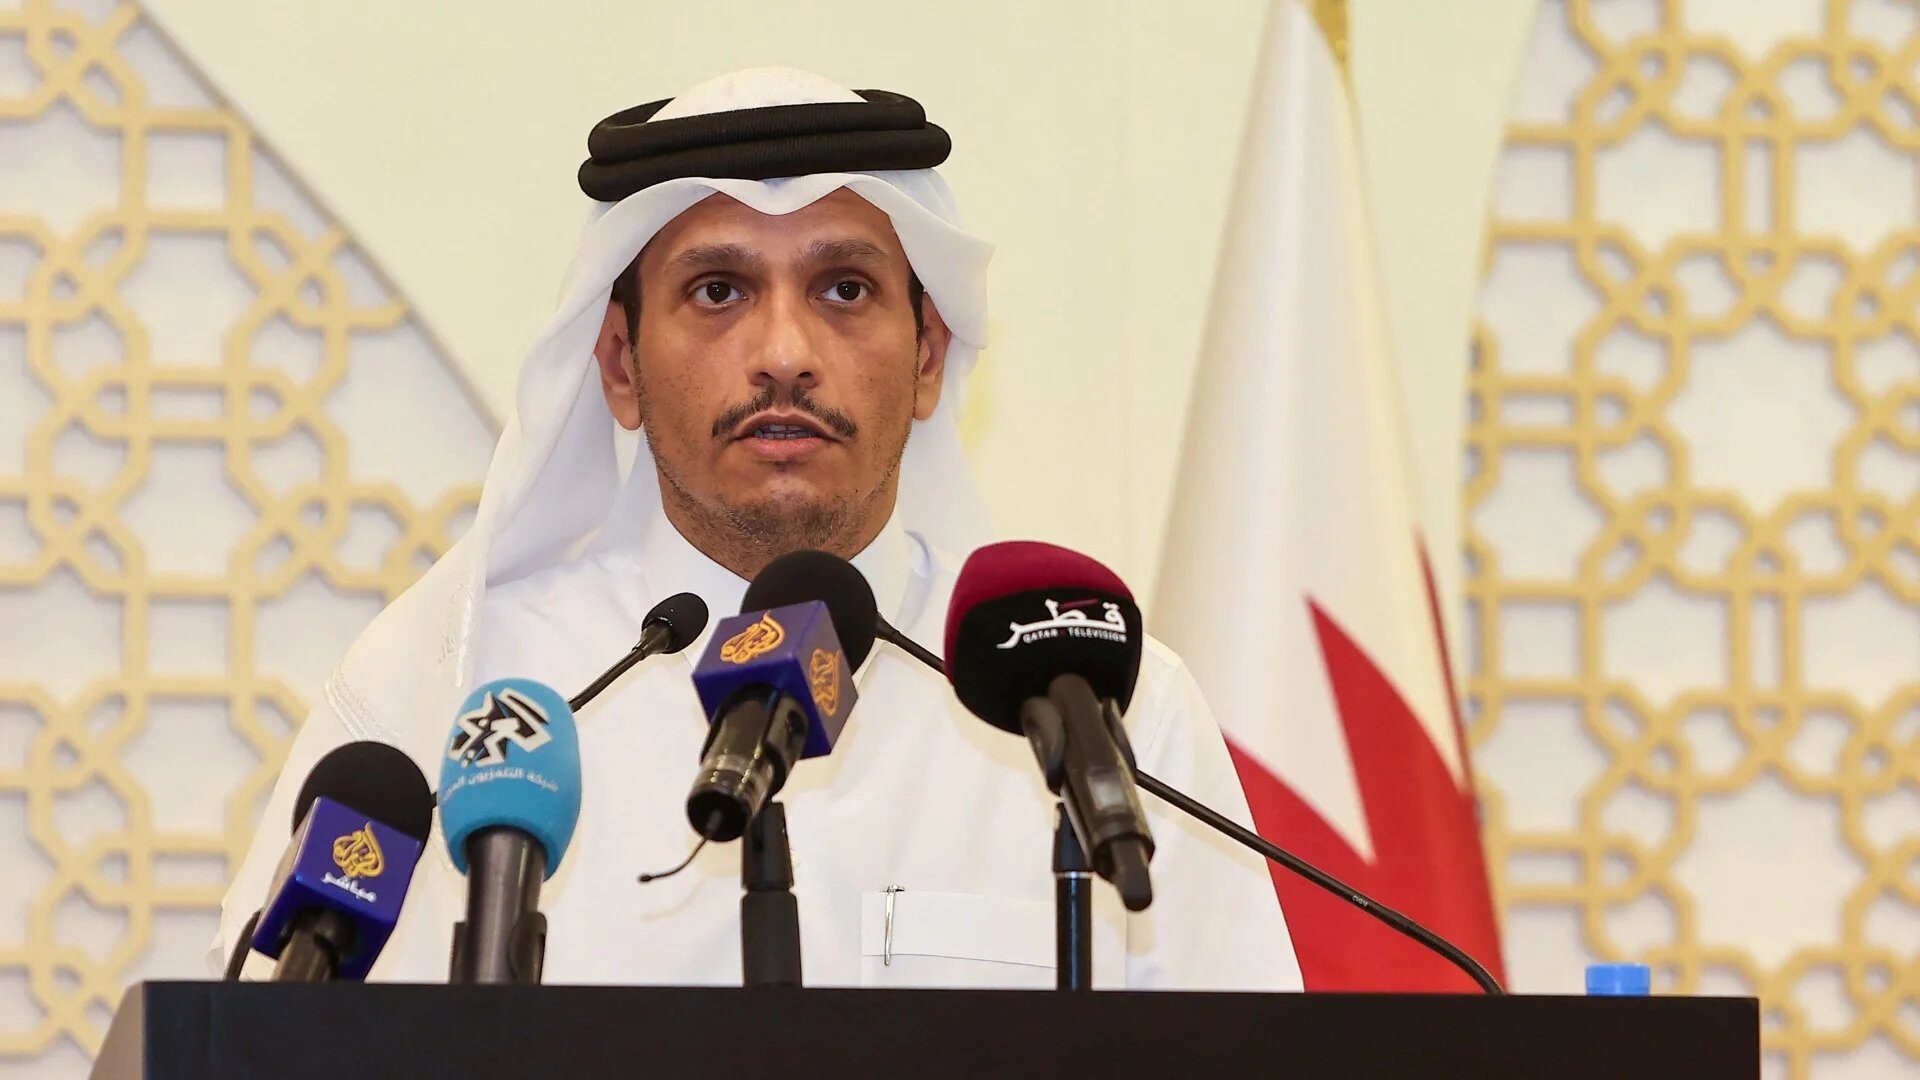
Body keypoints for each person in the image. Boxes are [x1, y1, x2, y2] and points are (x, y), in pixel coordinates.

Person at [212, 67, 1302, 991]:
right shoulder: (451, 694)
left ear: (928, 358)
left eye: (843, 287)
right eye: (720, 290)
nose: (784, 350)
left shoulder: (1095, 711)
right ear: (620, 366)